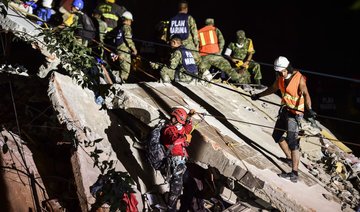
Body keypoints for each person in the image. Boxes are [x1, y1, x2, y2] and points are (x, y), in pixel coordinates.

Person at [251, 56, 317, 183]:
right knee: (277, 135)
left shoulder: (299, 78)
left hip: (295, 114)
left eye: (282, 71)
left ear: (288, 68)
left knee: (293, 143)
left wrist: (309, 109)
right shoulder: (280, 78)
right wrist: (258, 95)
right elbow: (272, 89)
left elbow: (305, 93)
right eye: (279, 72)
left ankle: (294, 173)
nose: (281, 73)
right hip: (285, 110)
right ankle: (289, 158)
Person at [160, 108, 195, 211]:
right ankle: (171, 209)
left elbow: (187, 129)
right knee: (176, 190)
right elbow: (173, 140)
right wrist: (184, 138)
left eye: (174, 117)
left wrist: (189, 118)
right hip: (174, 163)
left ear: (178, 120)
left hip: (181, 163)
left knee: (192, 186)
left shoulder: (180, 128)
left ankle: (183, 209)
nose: (171, 119)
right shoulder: (168, 129)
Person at [198, 18, 245, 83]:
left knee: (202, 70)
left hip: (204, 56)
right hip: (215, 55)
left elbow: (196, 44)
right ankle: (240, 81)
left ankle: (202, 80)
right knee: (228, 68)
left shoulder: (199, 31)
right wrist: (219, 51)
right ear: (212, 23)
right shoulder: (215, 29)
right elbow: (222, 41)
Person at [111, 11, 137, 83]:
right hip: (124, 52)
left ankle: (117, 78)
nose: (131, 22)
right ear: (128, 20)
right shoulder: (127, 27)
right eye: (130, 21)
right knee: (125, 71)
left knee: (123, 68)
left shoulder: (120, 28)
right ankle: (119, 82)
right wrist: (134, 49)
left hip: (119, 50)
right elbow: (128, 39)